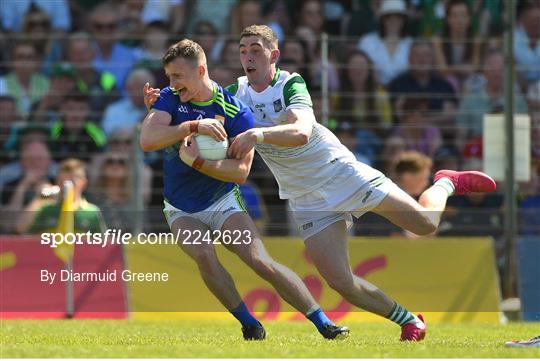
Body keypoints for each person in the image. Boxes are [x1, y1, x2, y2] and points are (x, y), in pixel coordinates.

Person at [144, 25, 497, 342]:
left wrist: (258, 134)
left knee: (424, 224)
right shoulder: (234, 94)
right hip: (305, 196)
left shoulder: (290, 83)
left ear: (273, 55)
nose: (247, 56)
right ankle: (408, 320)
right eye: (242, 50)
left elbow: (300, 132)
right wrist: (161, 99)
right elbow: (192, 90)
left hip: (339, 173)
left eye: (255, 49)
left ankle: (446, 183)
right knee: (340, 281)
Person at [140, 39, 348, 341]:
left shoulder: (235, 110)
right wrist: (192, 127)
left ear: (200, 70)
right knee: (204, 255)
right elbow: (147, 140)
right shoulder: (170, 99)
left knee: (260, 261)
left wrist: (197, 162)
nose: (171, 83)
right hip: (181, 206)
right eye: (169, 76)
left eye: (177, 76)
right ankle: (249, 323)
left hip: (223, 201)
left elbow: (239, 173)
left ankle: (323, 322)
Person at [15, 158, 106, 234]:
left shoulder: (91, 212)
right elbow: (20, 229)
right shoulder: (47, 210)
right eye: (62, 182)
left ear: (83, 183)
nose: (66, 187)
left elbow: (103, 244)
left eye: (71, 183)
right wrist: (39, 198)